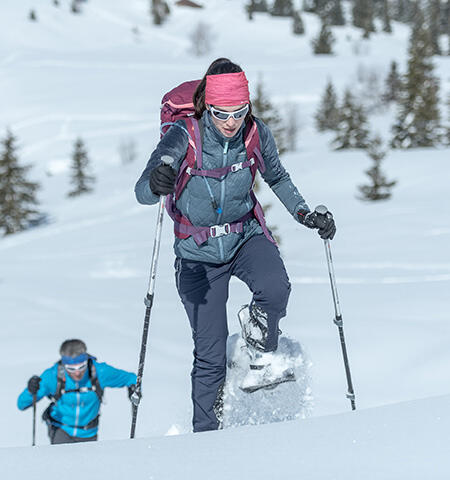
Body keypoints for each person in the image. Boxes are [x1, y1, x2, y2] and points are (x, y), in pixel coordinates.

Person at [134, 58, 336, 433]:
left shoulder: (255, 133)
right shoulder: (184, 134)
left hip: (245, 237)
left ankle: (256, 350)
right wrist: (157, 180)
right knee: (209, 359)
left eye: (238, 112)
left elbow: (276, 175)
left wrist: (305, 214)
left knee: (275, 288)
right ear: (206, 107)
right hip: (197, 256)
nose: (230, 121)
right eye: (221, 113)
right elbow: (142, 191)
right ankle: (207, 439)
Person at [17, 339, 138, 444]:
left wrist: (133, 389)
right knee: (63, 465)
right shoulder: (53, 375)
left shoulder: (99, 371)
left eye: (81, 367)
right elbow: (22, 404)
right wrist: (30, 390)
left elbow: (131, 378)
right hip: (61, 429)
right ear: (64, 364)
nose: (77, 372)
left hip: (88, 432)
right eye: (71, 369)